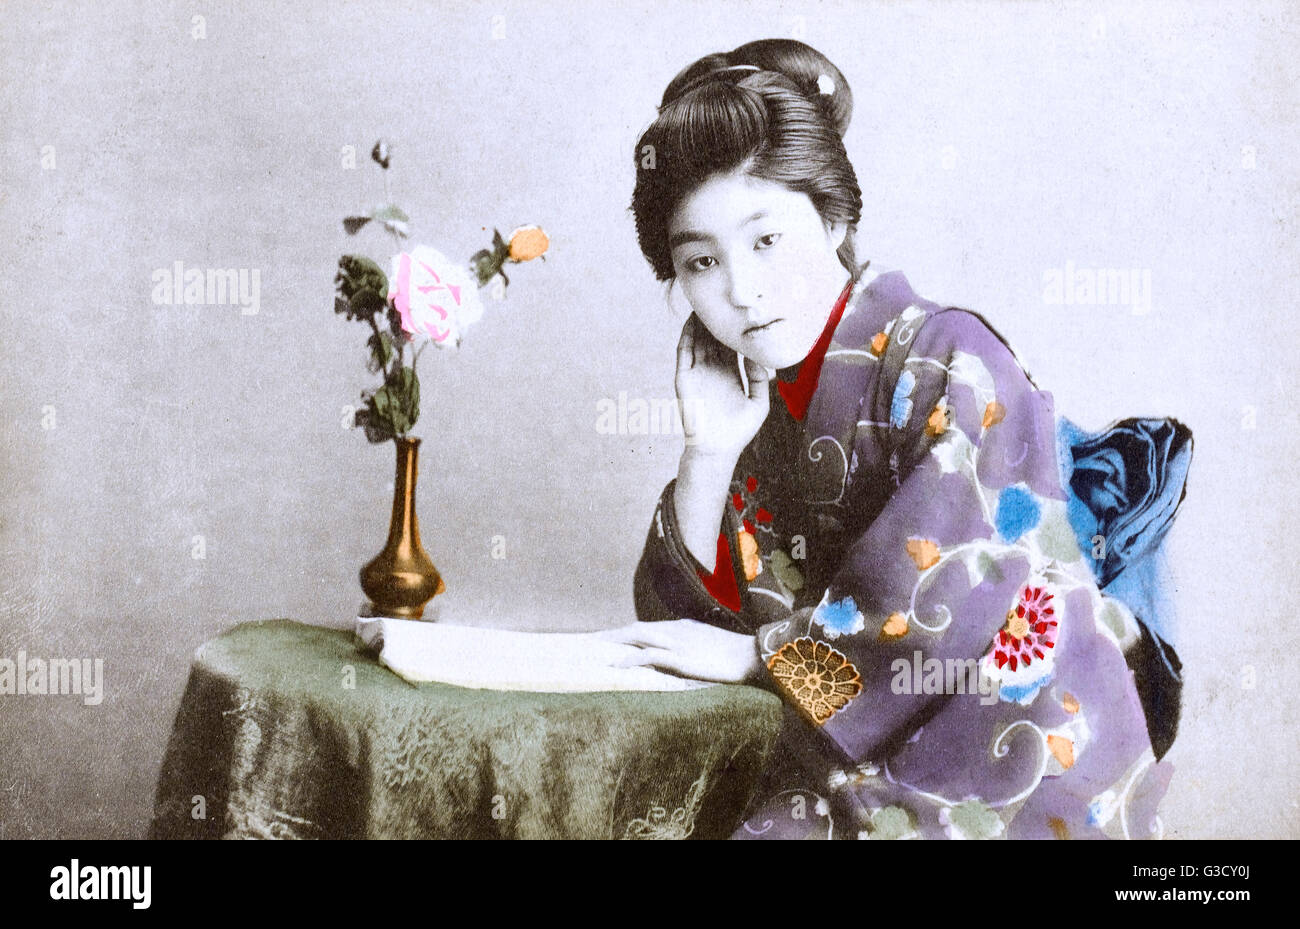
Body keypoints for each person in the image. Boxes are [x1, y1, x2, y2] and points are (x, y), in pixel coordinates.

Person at [597, 38, 1175, 839]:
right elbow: (677, 637)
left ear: (834, 217)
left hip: (1015, 752)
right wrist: (710, 452)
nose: (740, 289)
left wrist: (760, 657)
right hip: (851, 752)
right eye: (701, 261)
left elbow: (951, 591)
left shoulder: (949, 359)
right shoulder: (756, 403)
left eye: (765, 240)